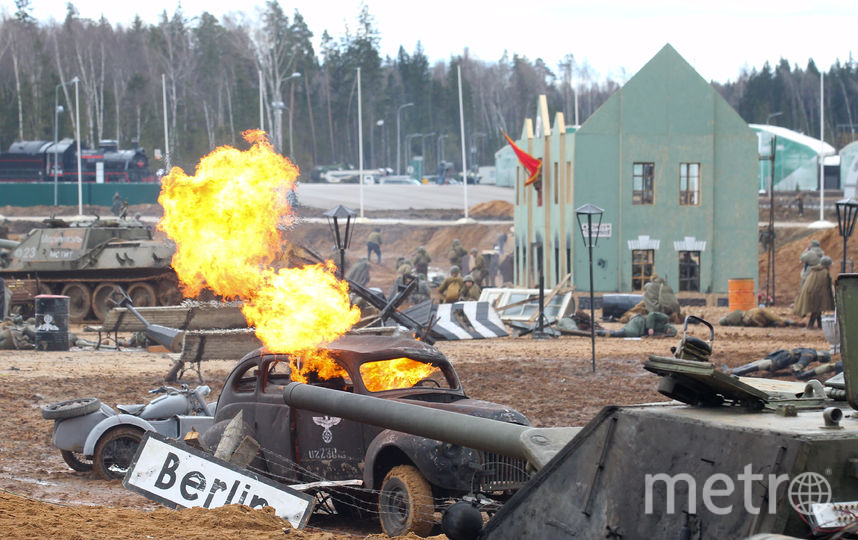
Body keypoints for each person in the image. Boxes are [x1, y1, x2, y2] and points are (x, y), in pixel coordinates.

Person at [794, 255, 834, 329]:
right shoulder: (824, 272)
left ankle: (819, 325)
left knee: (817, 310)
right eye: (830, 264)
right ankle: (811, 325)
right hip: (816, 294)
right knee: (816, 310)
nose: (831, 266)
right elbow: (827, 287)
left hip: (811, 293)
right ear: (827, 265)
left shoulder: (815, 271)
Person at [598, 311, 677, 338]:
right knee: (621, 334)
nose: (666, 332)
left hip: (639, 328)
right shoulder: (665, 318)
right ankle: (598, 332)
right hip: (638, 324)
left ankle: (602, 331)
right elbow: (652, 314)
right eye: (669, 331)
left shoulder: (661, 332)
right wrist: (651, 328)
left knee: (620, 333)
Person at [719, 307, 793, 327]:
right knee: (774, 317)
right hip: (755, 311)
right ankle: (787, 321)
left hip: (752, 317)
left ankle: (778, 323)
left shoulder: (732, 320)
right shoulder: (734, 314)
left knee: (770, 322)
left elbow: (743, 323)